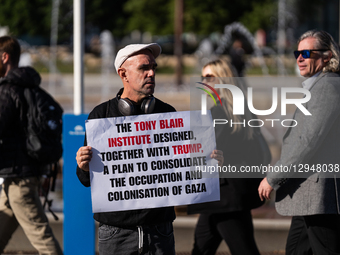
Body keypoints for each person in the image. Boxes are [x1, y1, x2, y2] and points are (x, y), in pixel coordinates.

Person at [76, 43, 223, 255]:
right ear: (123, 74)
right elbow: (85, 180)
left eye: (153, 67)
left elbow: (179, 172)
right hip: (116, 234)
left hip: (159, 233)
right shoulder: (101, 116)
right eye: (144, 68)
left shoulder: (167, 113)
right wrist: (84, 166)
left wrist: (207, 163)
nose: (151, 73)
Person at [258, 30, 340, 254]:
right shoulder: (321, 86)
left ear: (326, 56)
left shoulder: (327, 88)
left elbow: (306, 142)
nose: (299, 58)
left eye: (306, 53)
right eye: (297, 53)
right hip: (309, 196)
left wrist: (272, 178)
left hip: (319, 197)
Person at [187, 59, 267, 255]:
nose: (204, 82)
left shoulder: (219, 112)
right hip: (226, 195)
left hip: (225, 196)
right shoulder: (241, 109)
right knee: (201, 249)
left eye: (209, 77)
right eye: (202, 77)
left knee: (243, 250)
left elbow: (211, 151)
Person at [0, 36, 63, 254]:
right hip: (23, 175)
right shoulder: (32, 88)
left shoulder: (7, 90)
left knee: (43, 241)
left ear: (4, 57)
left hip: (19, 180)